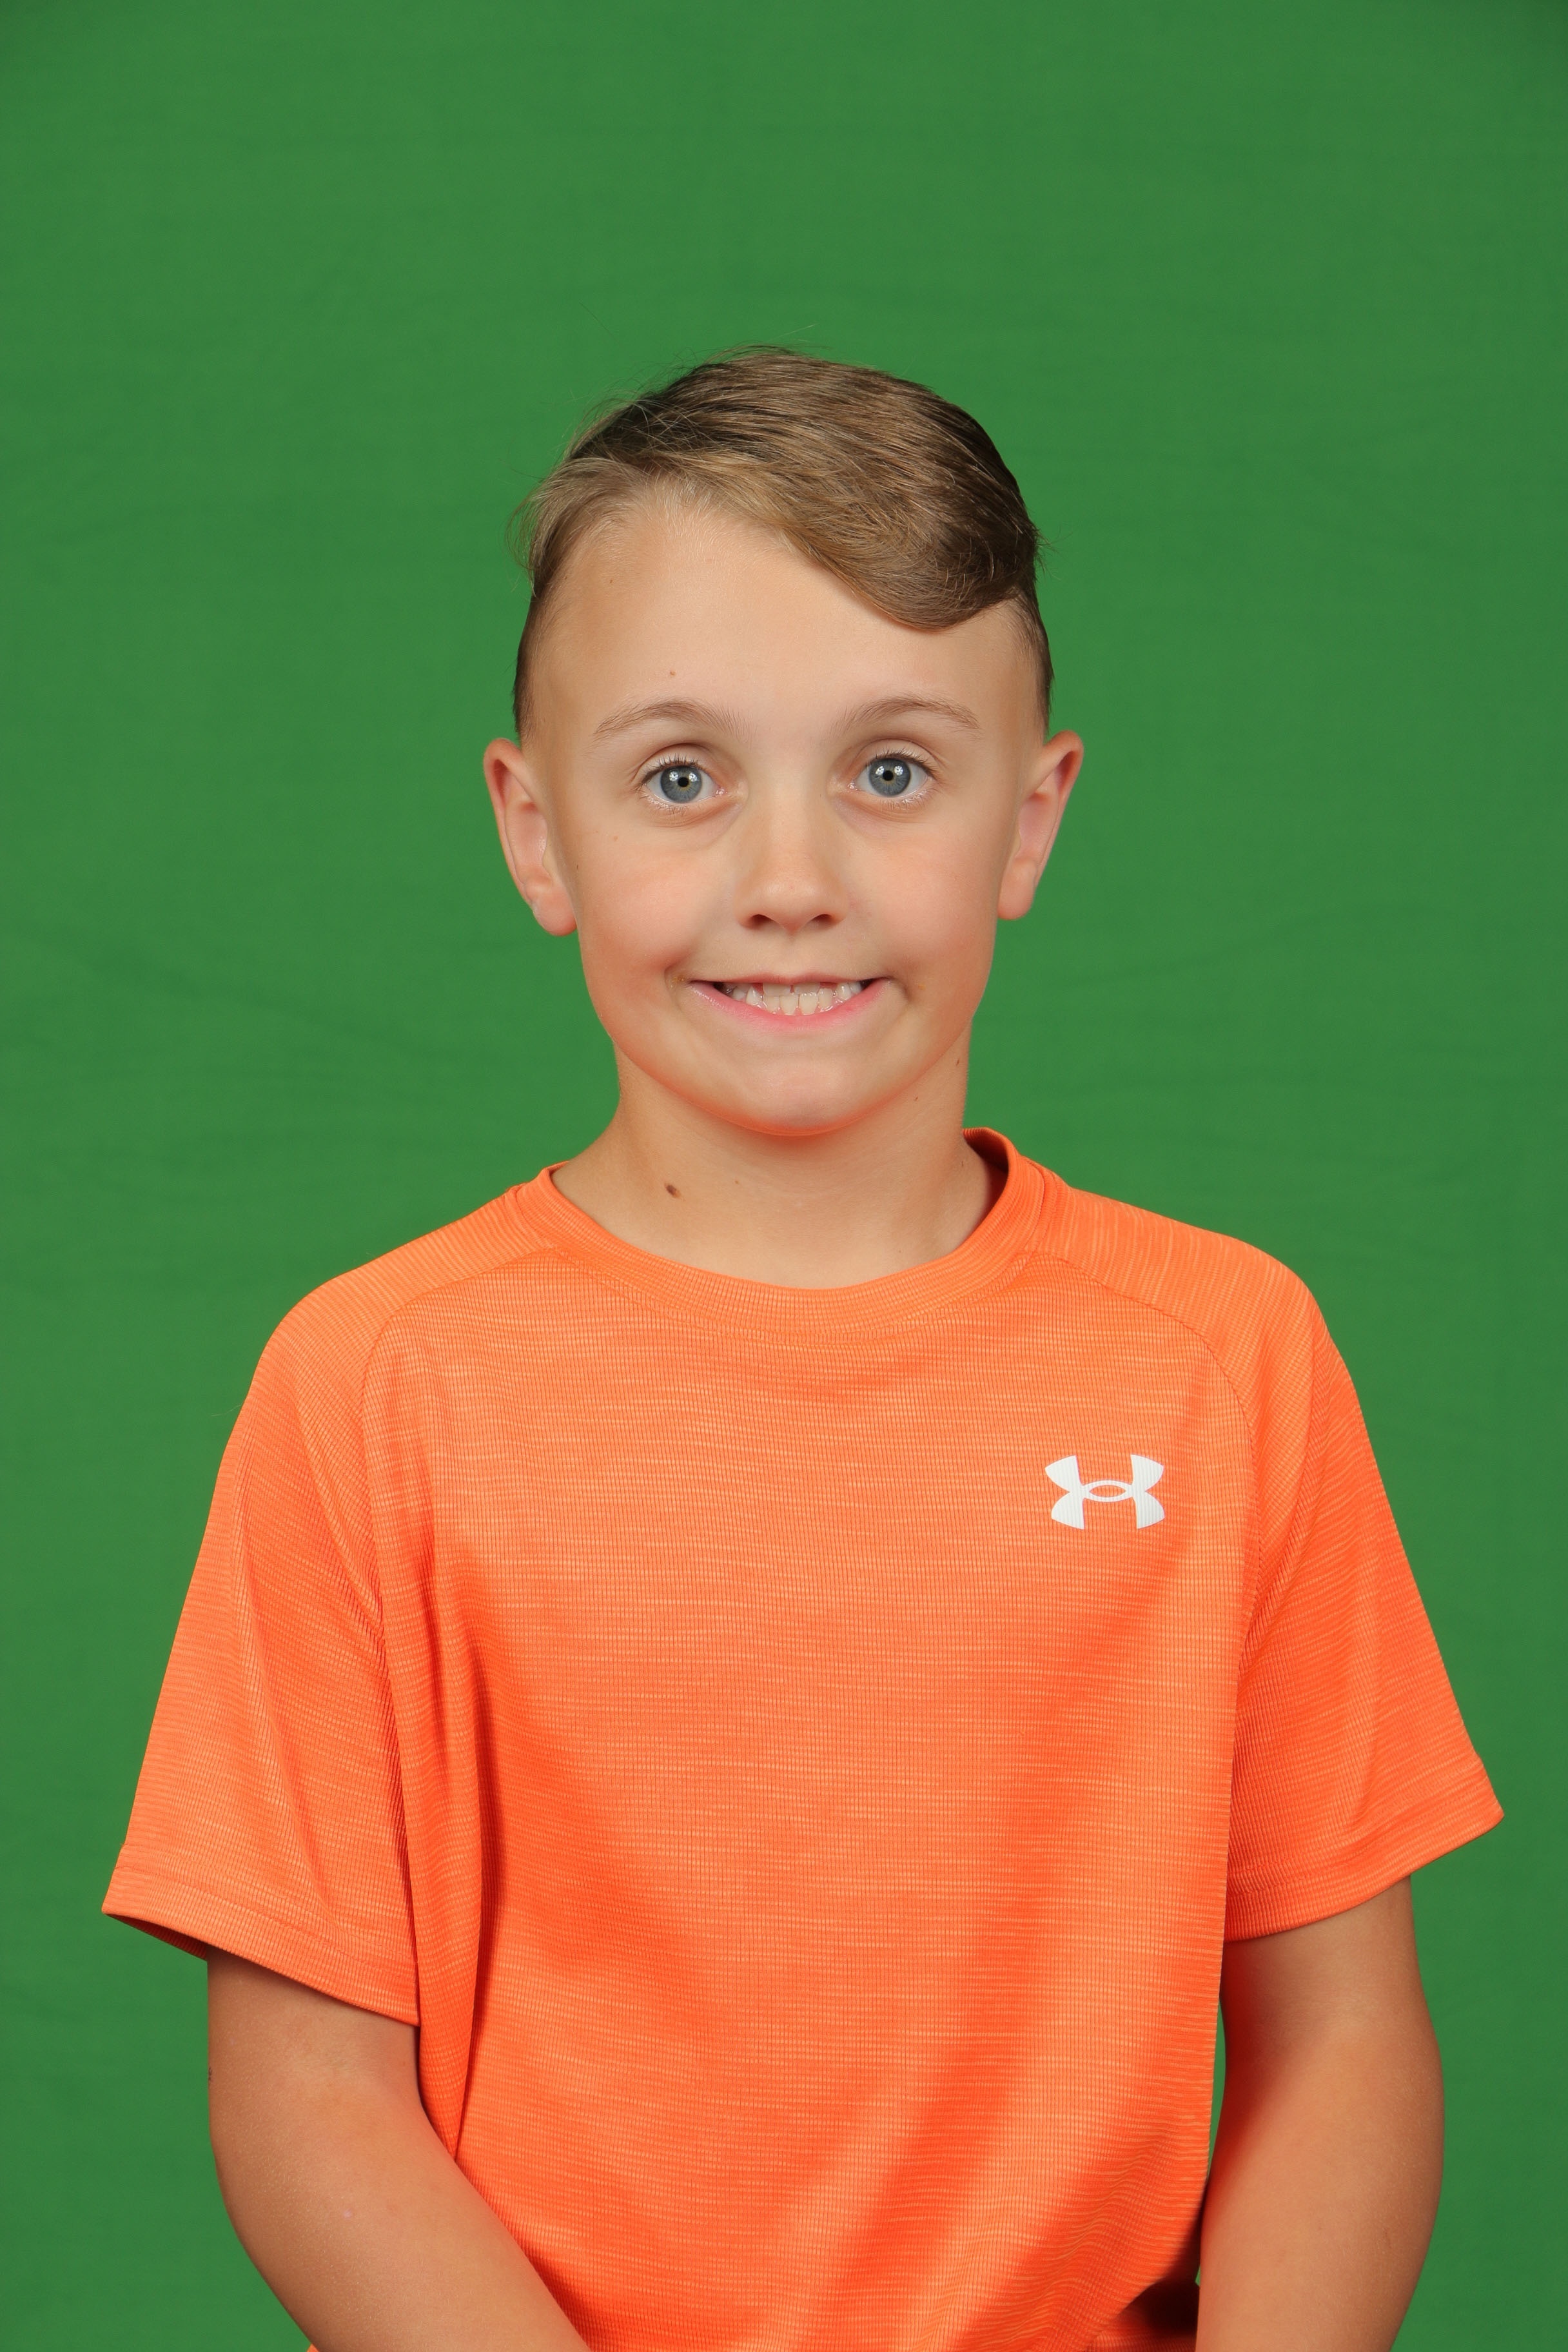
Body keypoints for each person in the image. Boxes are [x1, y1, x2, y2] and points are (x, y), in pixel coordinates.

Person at [103, 349, 1501, 2352]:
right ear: (534, 831)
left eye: (893, 773)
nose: (789, 884)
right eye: (682, 779)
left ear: (1031, 820)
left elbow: (1344, 2037)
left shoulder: (1226, 1359)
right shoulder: (378, 1386)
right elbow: (311, 2093)